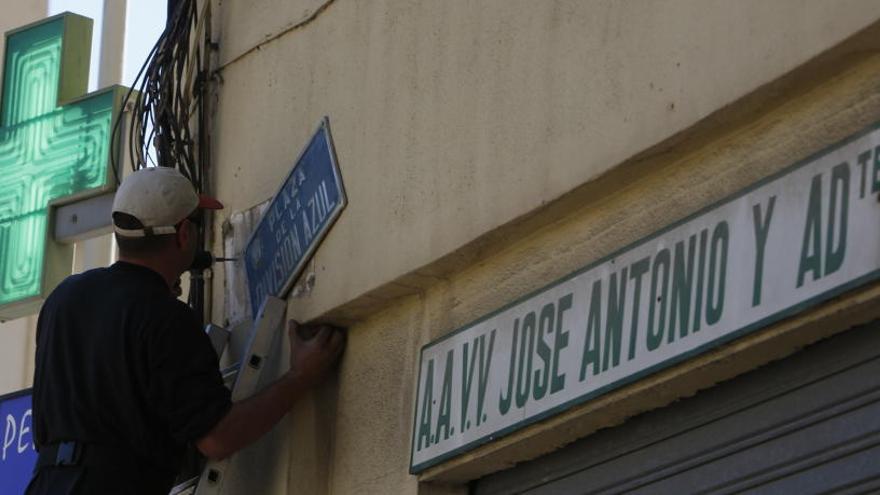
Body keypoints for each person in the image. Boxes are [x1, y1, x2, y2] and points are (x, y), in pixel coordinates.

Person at [26, 167, 345, 494]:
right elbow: (217, 437)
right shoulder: (165, 317)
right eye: (197, 224)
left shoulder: (63, 300)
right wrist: (301, 375)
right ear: (182, 235)